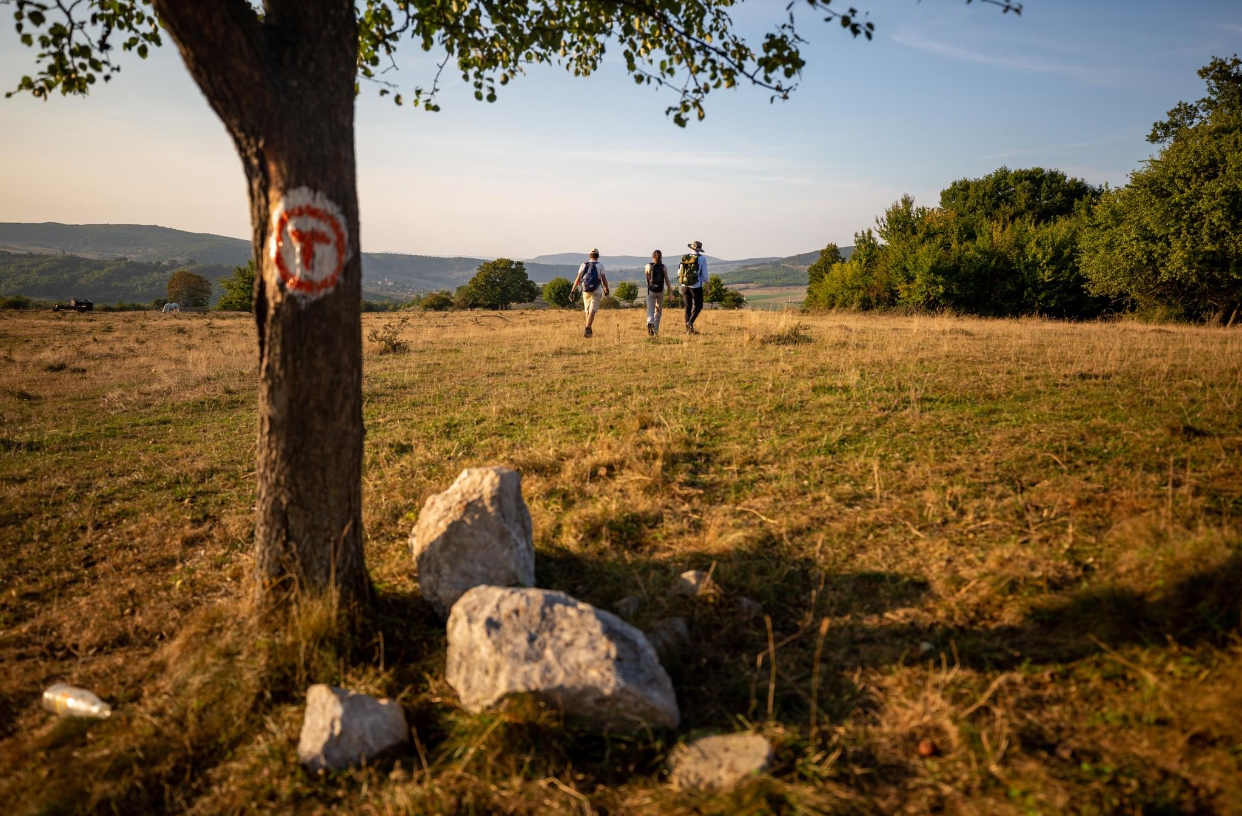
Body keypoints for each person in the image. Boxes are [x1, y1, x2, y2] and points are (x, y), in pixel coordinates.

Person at [569, 248, 609, 338]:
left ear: (589, 256)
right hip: (596, 290)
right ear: (598, 256)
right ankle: (587, 328)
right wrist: (606, 289)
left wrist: (572, 291)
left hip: (585, 290)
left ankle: (589, 331)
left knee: (587, 311)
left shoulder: (583, 265)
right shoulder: (600, 265)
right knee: (592, 311)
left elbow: (578, 278)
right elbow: (604, 279)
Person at [679, 239, 707, 333]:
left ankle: (688, 330)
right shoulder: (702, 258)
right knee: (699, 305)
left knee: (687, 307)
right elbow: (705, 276)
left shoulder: (685, 257)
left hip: (684, 285)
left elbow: (679, 272)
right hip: (696, 286)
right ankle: (690, 322)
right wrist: (707, 287)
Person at [644, 249, 668, 336]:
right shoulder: (663, 267)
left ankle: (650, 322)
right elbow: (667, 280)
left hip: (651, 291)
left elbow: (647, 280)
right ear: (661, 257)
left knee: (650, 310)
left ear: (652, 256)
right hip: (661, 291)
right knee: (658, 310)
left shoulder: (648, 266)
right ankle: (655, 330)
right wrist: (670, 291)